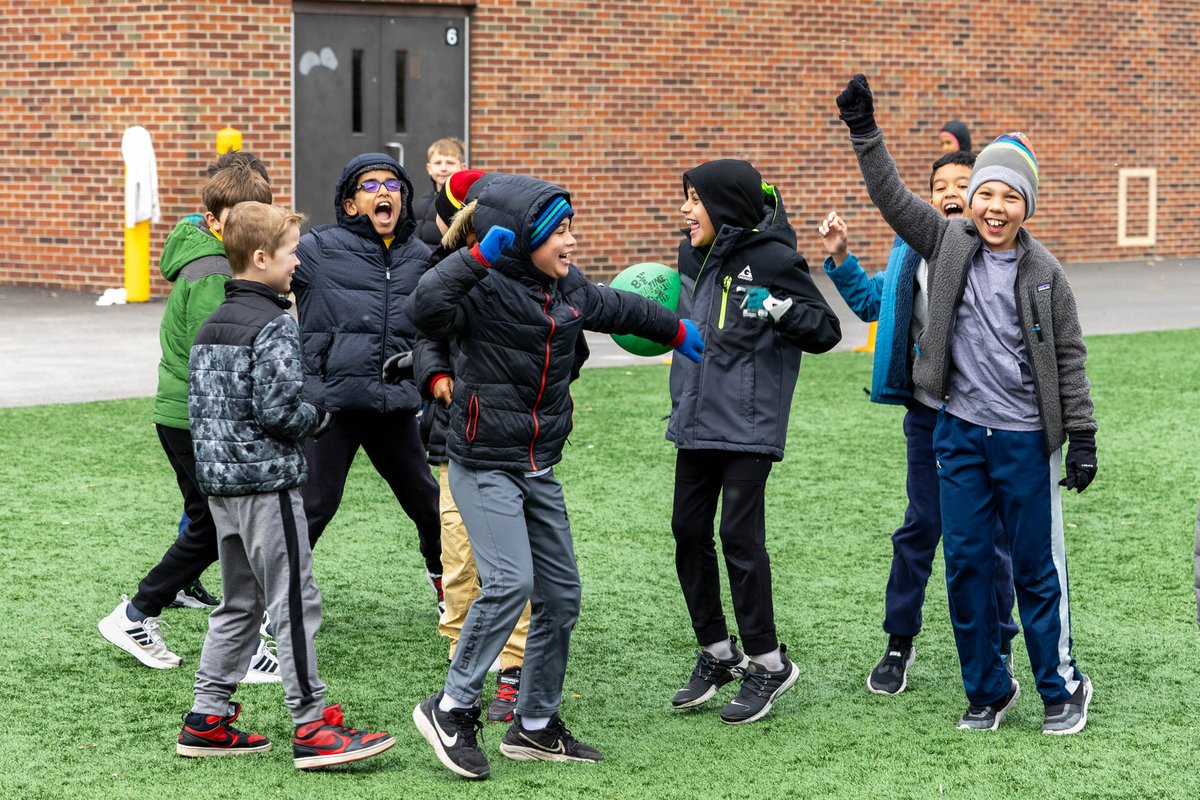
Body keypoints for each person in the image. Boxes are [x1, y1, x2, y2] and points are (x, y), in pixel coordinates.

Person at [407, 173, 705, 780]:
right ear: (518, 240)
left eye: (571, 228)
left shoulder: (567, 288)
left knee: (562, 595)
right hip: (482, 460)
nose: (571, 242)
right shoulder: (481, 285)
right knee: (510, 581)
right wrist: (472, 259)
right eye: (558, 232)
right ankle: (451, 707)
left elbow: (620, 306)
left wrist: (673, 329)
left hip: (538, 464)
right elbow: (424, 309)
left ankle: (535, 725)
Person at [837, 74, 1098, 734]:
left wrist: (1083, 434)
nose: (995, 206)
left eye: (1010, 196)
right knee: (969, 570)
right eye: (986, 193)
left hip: (1022, 441)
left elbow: (1069, 357)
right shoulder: (948, 244)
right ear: (971, 200)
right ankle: (988, 689)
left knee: (1035, 572)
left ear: (1026, 207)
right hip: (955, 433)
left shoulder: (1046, 276)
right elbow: (892, 198)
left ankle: (1061, 688)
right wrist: (865, 132)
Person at [179, 200, 394, 769]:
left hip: (220, 488)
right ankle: (312, 725)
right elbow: (280, 412)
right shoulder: (274, 322)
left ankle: (207, 717)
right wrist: (318, 416)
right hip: (266, 486)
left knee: (239, 601)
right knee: (294, 601)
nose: (297, 263)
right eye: (291, 253)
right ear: (260, 258)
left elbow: (201, 409)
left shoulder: (212, 324)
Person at [818, 150, 1019, 696]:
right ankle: (898, 643)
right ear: (928, 200)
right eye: (940, 186)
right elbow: (870, 304)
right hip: (930, 418)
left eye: (963, 183)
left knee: (990, 539)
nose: (951, 192)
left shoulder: (1002, 257)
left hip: (991, 423)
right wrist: (840, 257)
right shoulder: (912, 252)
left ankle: (1001, 647)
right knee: (920, 528)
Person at [667, 160, 842, 725]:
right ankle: (719, 653)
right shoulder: (691, 255)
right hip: (696, 418)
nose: (686, 211)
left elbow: (826, 330)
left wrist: (781, 309)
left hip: (747, 424)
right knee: (687, 532)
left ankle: (768, 663)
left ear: (725, 205)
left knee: (738, 537)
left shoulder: (774, 258)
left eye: (695, 200)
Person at [99, 152, 280, 682]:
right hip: (194, 417)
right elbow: (225, 356)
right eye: (239, 217)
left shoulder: (224, 261)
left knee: (219, 525)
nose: (250, 227)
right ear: (213, 221)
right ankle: (138, 615)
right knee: (218, 526)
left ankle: (204, 633)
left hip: (191, 415)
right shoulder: (212, 274)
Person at [292, 153, 444, 611]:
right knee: (314, 507)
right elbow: (258, 263)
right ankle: (271, 601)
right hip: (329, 407)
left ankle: (445, 584)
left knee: (428, 505)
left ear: (405, 199)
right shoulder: (317, 249)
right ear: (351, 203)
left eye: (393, 185)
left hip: (394, 407)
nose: (384, 192)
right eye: (370, 185)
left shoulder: (422, 258)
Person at [411, 168, 534, 724]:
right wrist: (436, 377)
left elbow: (565, 342)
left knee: (515, 564)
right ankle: (465, 665)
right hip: (454, 443)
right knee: (459, 557)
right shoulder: (442, 272)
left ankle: (513, 669)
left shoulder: (526, 275)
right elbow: (426, 337)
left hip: (514, 446)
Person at [413, 137, 467, 248]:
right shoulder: (421, 201)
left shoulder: (464, 202)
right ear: (429, 168)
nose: (443, 168)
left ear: (463, 168)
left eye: (450, 163)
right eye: (437, 163)